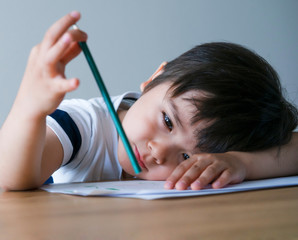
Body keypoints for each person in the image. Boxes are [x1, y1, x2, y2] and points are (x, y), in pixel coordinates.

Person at [0, 11, 297, 191]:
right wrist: (30, 108)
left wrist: (239, 162)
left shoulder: (219, 158)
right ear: (156, 77)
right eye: (168, 121)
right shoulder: (83, 125)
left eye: (187, 158)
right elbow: (12, 178)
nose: (158, 152)